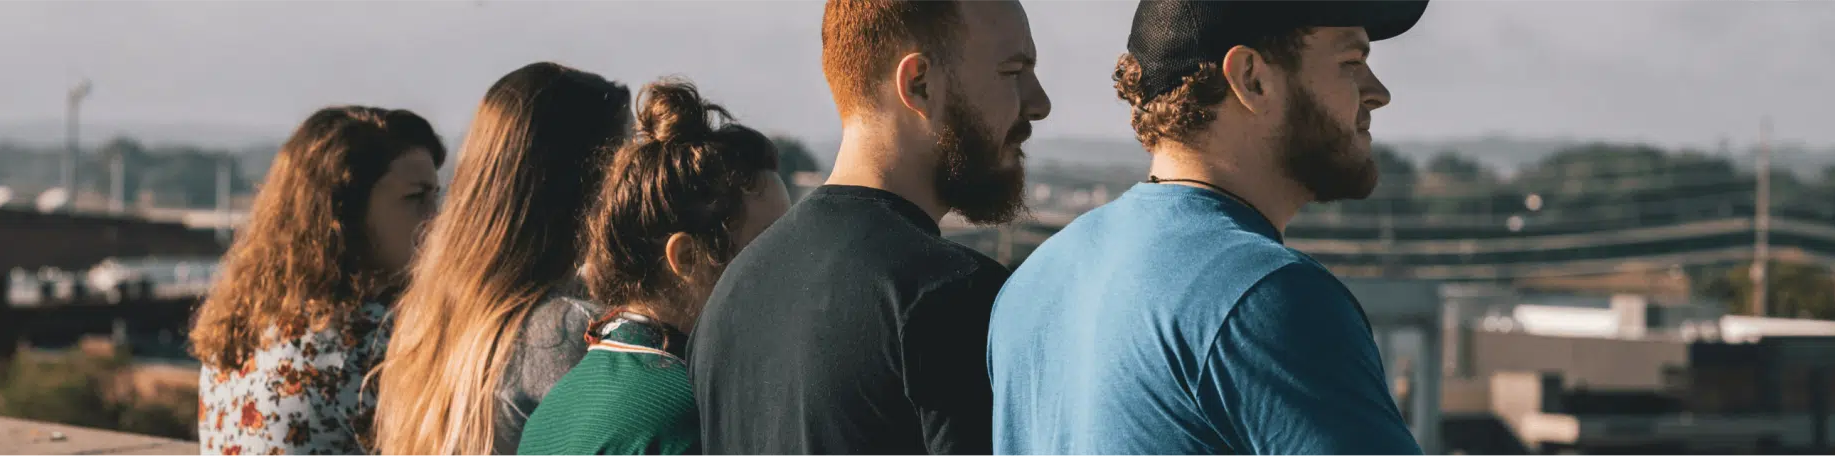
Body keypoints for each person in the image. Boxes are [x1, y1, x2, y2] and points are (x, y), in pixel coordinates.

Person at [986, 0, 1431, 454]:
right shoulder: (1268, 296)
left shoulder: (1032, 284)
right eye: (1351, 62)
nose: (1377, 92)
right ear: (1252, 79)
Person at [689, 0, 1050, 453]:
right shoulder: (950, 297)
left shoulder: (729, 298)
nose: (1040, 103)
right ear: (918, 84)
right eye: (1012, 71)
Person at [368, 62, 633, 456]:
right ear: (585, 179)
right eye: (627, 164)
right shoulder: (567, 333)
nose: (638, 184)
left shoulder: (427, 319)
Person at [515, 79, 791, 456]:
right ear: (688, 258)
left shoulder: (551, 411)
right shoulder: (703, 418)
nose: (791, 265)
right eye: (768, 245)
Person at [190, 106, 446, 455]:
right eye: (416, 197)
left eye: (436, 196)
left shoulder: (242, 323)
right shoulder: (364, 343)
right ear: (347, 211)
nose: (437, 218)